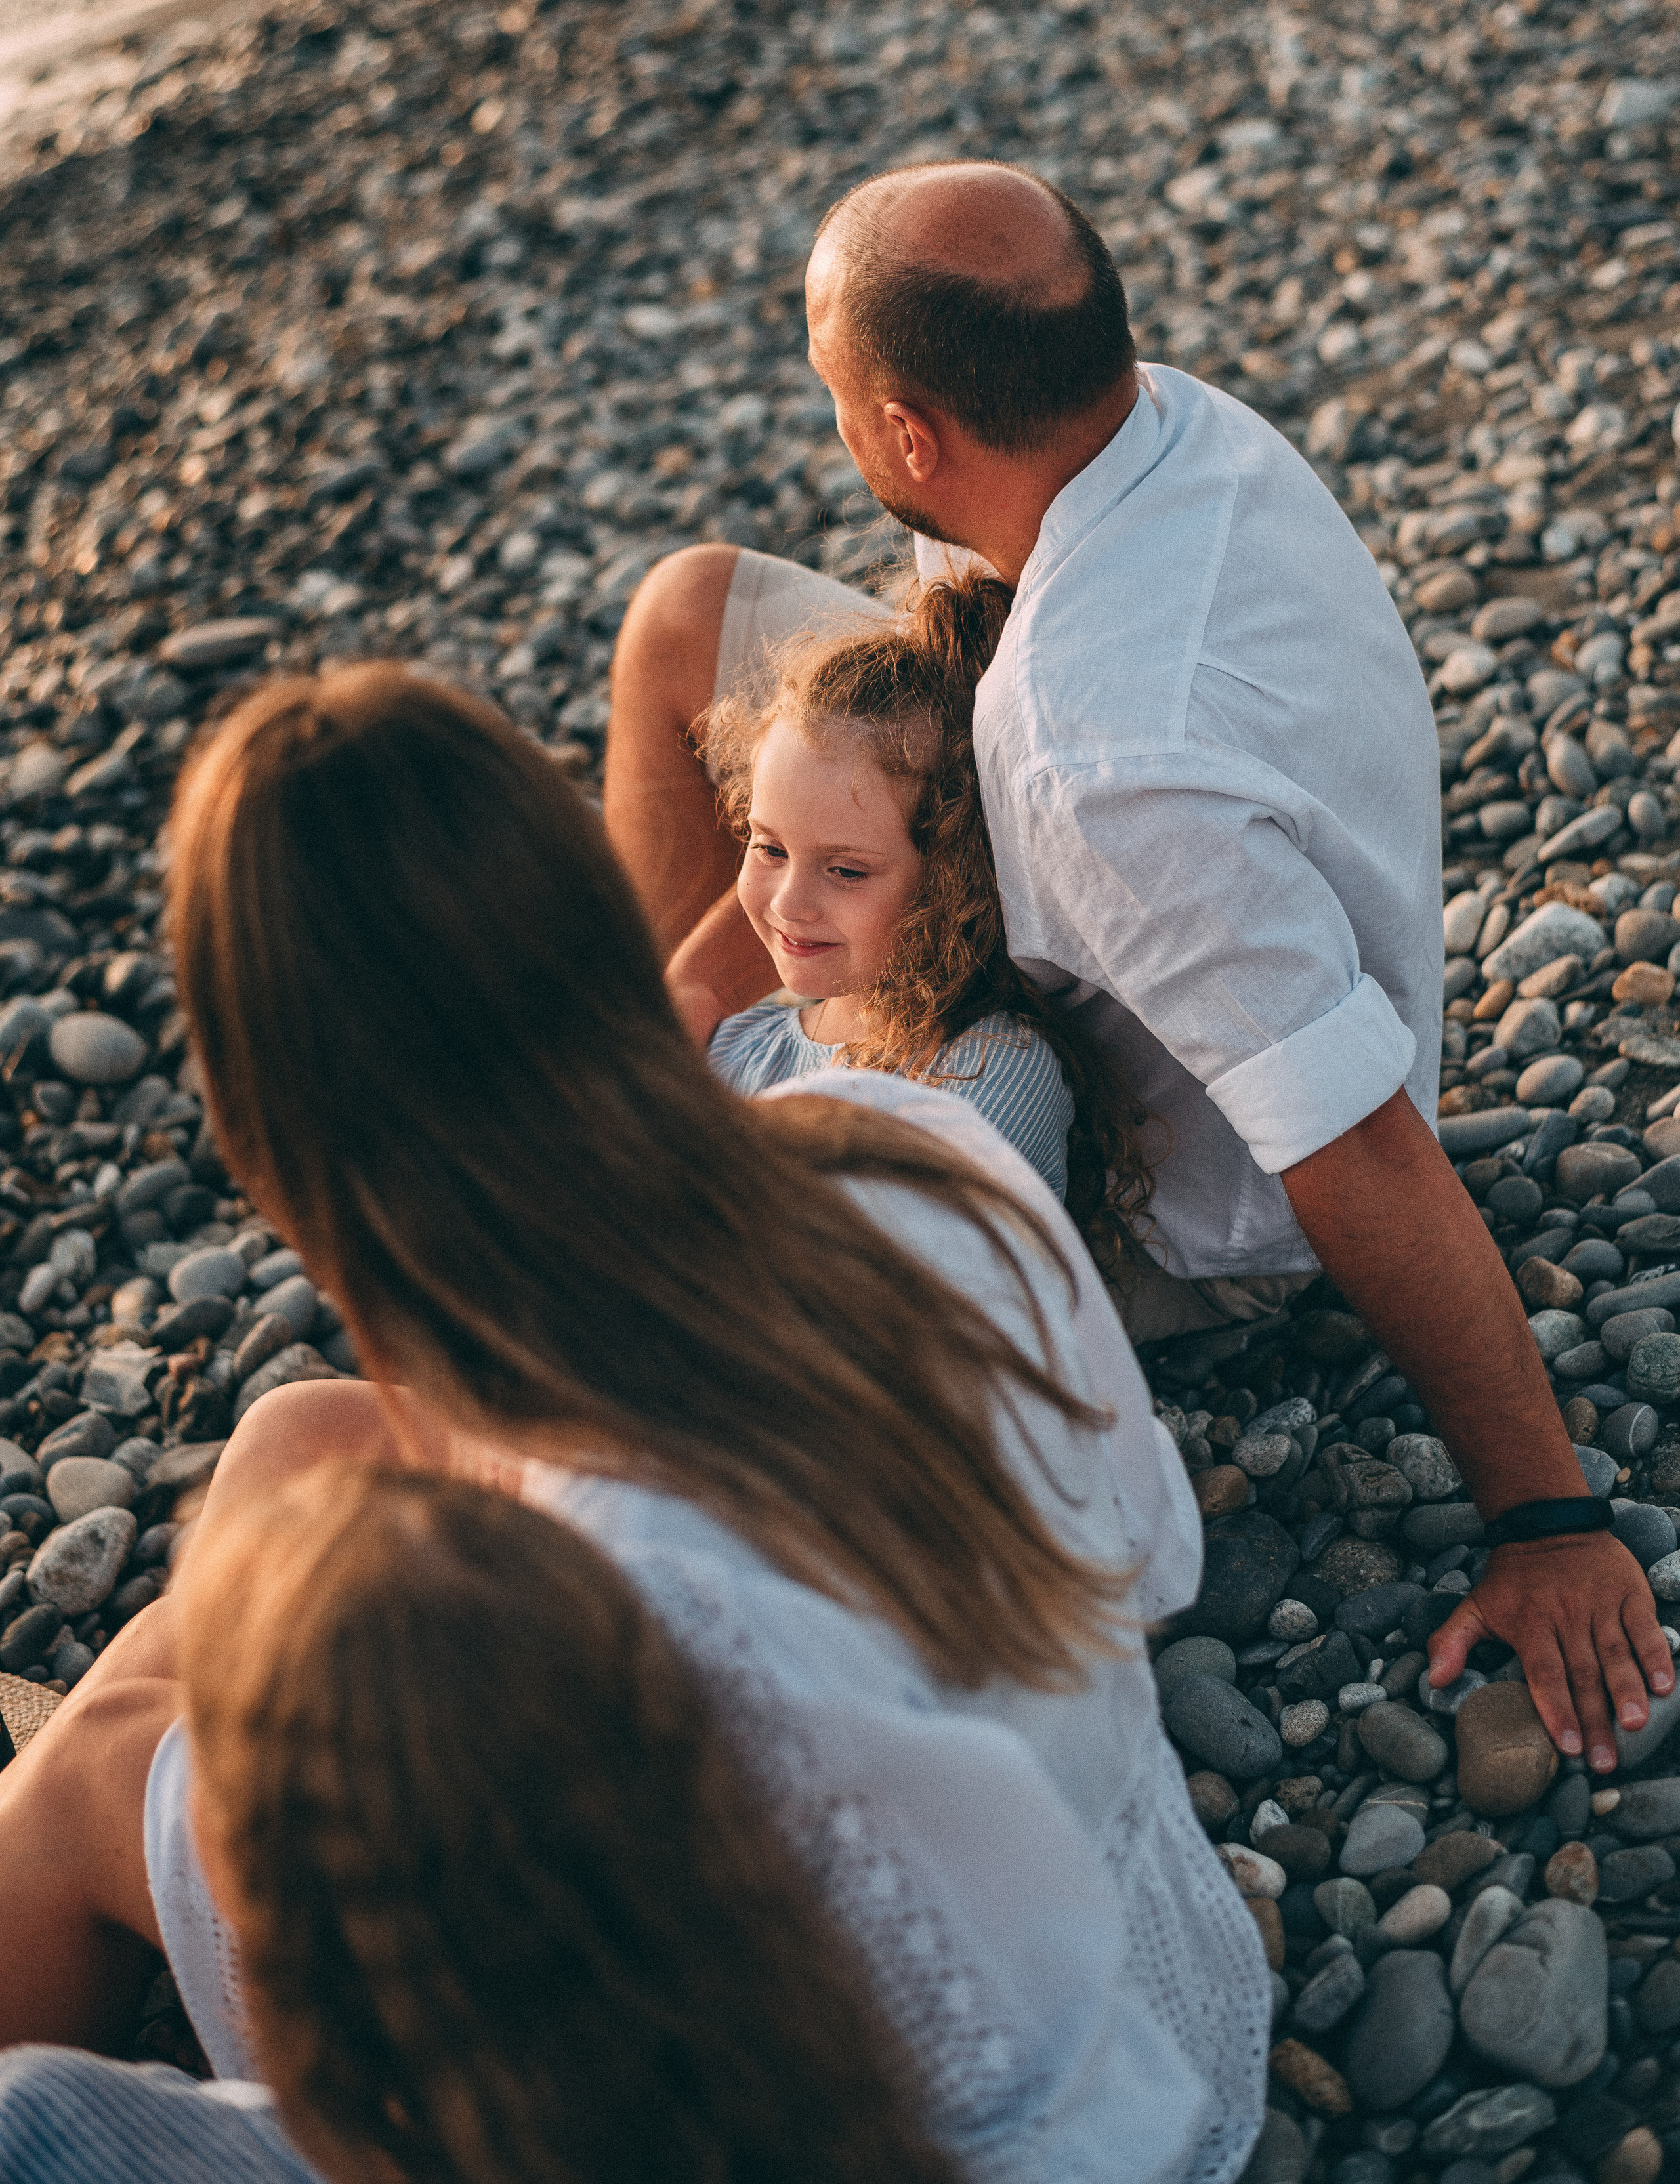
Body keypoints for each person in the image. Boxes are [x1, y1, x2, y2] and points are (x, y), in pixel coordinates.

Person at [0, 665, 1268, 2184]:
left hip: (925, 2126)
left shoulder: (605, 1579)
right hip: (1145, 1971)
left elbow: (613, 2079)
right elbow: (1146, 1550)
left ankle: (73, 1834)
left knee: (91, 1782)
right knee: (296, 1443)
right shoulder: (907, 1136)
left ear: (279, 1136)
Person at [602, 157, 1671, 1777]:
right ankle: (659, 1056)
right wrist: (754, 929)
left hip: (1162, 1184)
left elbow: (1352, 1138)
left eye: (831, 392)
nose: (828, 425)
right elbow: (975, 661)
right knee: (691, 613)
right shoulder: (1154, 421)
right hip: (1115, 857)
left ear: (905, 439)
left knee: (735, 1281)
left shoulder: (1097, 764)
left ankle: (640, 1174)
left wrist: (1545, 1510)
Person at [0, 1465, 966, 2184]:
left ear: (286, 1931)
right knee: (159, 1650)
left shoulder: (43, 2117)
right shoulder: (849, 2050)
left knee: (101, 1750)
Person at [704, 567, 1154, 1260]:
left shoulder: (990, 1070)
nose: (788, 903)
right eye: (768, 847)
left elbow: (871, 1296)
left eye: (846, 871)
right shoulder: (738, 1048)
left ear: (957, 881)